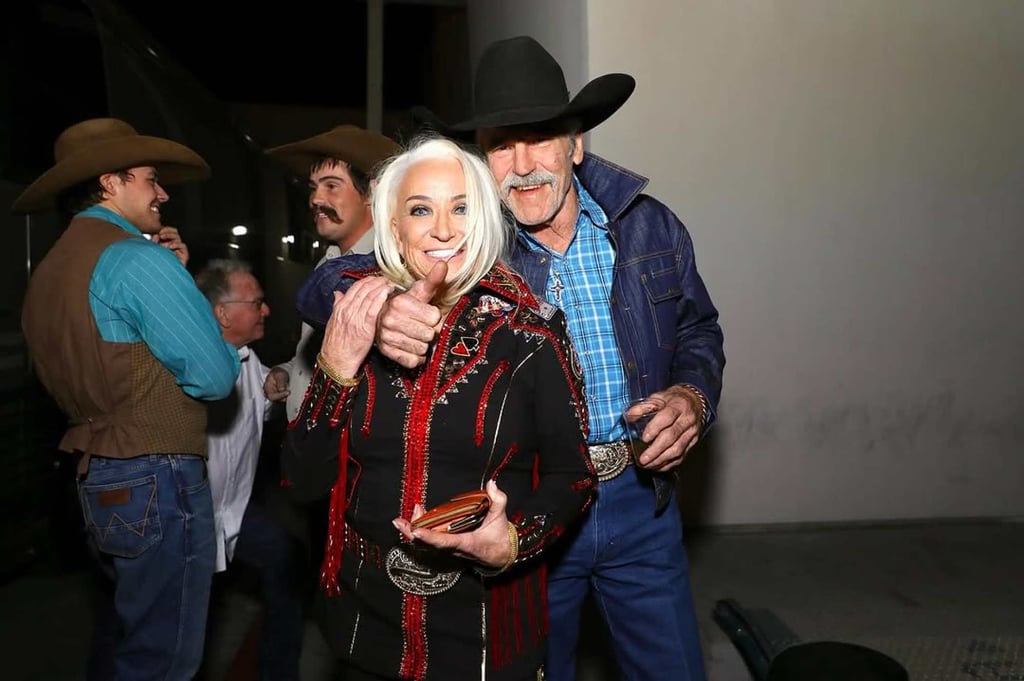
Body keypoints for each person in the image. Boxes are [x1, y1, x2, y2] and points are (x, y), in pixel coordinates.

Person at [314, 36, 727, 680]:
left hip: (637, 500)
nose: (524, 164)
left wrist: (693, 397)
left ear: (576, 144)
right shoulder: (472, 243)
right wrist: (378, 306)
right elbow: (329, 280)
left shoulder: (650, 226)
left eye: (541, 138)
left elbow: (699, 328)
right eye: (503, 144)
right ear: (484, 156)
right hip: (526, 506)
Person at [281, 135, 597, 681]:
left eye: (461, 208)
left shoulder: (531, 335)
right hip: (365, 631)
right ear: (393, 226)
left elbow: (573, 477)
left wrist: (514, 540)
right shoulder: (359, 323)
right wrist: (336, 364)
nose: (444, 229)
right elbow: (302, 482)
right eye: (421, 209)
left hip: (485, 635)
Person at [16, 117, 241, 681]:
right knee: (165, 660)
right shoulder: (139, 260)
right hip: (158, 474)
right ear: (109, 183)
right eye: (149, 179)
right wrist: (175, 280)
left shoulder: (49, 272)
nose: (162, 193)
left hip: (97, 475)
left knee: (132, 637)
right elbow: (214, 376)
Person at [195, 259, 305, 681]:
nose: (266, 310)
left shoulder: (246, 358)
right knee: (174, 625)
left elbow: (269, 387)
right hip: (193, 520)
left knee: (285, 566)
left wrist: (278, 378)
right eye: (256, 303)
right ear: (222, 313)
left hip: (235, 515)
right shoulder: (196, 366)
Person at [262, 125, 399, 420]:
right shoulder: (330, 261)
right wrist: (290, 371)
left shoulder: (388, 268)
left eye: (331, 186)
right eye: (313, 188)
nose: (315, 200)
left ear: (371, 194)